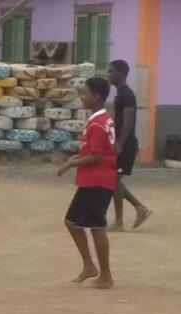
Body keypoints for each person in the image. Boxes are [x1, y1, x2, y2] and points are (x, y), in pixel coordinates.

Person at [56, 77, 116, 290]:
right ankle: (90, 266)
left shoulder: (97, 124)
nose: (82, 97)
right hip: (97, 179)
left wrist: (70, 163)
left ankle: (105, 276)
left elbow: (96, 156)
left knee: (94, 226)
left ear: (96, 96)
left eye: (85, 93)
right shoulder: (103, 119)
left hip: (96, 181)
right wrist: (78, 158)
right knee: (76, 222)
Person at [107, 60, 152, 231]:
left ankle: (119, 221)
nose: (108, 75)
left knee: (114, 180)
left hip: (126, 145)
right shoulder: (120, 94)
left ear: (121, 73)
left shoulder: (127, 95)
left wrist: (120, 143)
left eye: (111, 72)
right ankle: (140, 208)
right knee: (114, 180)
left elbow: (128, 122)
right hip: (121, 142)